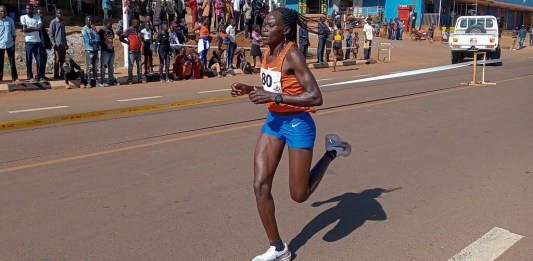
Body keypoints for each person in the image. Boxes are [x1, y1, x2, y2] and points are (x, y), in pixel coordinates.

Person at [230, 8, 351, 261]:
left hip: (298, 123)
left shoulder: (292, 54)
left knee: (299, 195)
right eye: (263, 24)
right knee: (259, 185)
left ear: (284, 30)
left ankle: (332, 151)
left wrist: (273, 96)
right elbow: (276, 87)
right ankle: (278, 248)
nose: (264, 29)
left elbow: (316, 96)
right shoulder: (267, 52)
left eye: (270, 25)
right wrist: (250, 88)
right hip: (274, 122)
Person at [20, 4, 44, 83]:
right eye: (27, 8)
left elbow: (40, 28)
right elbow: (24, 29)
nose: (28, 10)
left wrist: (30, 28)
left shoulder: (37, 17)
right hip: (29, 42)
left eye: (30, 8)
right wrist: (34, 28)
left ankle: (40, 76)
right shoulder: (23, 17)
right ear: (26, 9)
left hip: (38, 42)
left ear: (32, 9)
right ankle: (30, 77)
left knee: (39, 60)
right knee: (29, 60)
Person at [120, 19, 145, 84]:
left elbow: (142, 38)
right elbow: (121, 37)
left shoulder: (138, 30)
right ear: (133, 23)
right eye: (137, 23)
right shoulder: (128, 30)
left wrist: (141, 38)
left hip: (138, 51)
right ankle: (130, 79)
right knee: (130, 66)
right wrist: (127, 42)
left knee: (139, 65)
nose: (138, 24)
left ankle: (140, 78)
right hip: (132, 51)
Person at [0, 5, 19, 83]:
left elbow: (13, 33)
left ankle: (15, 78)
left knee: (12, 62)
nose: (3, 12)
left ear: (6, 12)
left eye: (4, 11)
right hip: (0, 45)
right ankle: (0, 79)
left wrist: (13, 44)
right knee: (0, 62)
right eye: (1, 11)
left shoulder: (10, 20)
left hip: (10, 44)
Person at [82, 16, 101, 87]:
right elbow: (88, 41)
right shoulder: (84, 30)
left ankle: (96, 82)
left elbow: (98, 38)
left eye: (91, 21)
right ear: (86, 21)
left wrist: (95, 31)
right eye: (88, 21)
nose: (90, 22)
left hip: (95, 50)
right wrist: (95, 41)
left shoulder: (93, 28)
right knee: (89, 67)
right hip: (89, 50)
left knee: (95, 67)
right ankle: (88, 82)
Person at [49, 9, 68, 80]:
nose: (60, 15)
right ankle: (56, 75)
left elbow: (64, 34)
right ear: (56, 14)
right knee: (57, 59)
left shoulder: (62, 22)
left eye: (61, 14)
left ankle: (62, 74)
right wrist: (53, 43)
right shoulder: (53, 22)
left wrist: (66, 44)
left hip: (63, 44)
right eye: (59, 13)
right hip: (57, 45)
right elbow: (51, 34)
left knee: (63, 60)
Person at [98, 19, 118, 86]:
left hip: (111, 51)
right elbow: (99, 41)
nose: (111, 25)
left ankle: (111, 80)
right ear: (106, 23)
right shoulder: (101, 31)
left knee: (111, 67)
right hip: (105, 51)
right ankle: (103, 81)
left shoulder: (111, 30)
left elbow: (112, 39)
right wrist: (105, 46)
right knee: (103, 67)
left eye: (111, 23)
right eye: (110, 23)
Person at [36, 8, 52, 81]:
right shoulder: (36, 23)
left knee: (44, 60)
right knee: (40, 61)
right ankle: (40, 76)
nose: (41, 15)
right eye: (39, 13)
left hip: (43, 46)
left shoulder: (42, 23)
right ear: (36, 14)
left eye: (42, 13)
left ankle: (42, 75)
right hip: (39, 45)